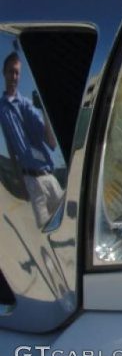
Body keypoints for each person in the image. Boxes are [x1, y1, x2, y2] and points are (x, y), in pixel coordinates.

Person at [0, 52, 63, 230]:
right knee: (44, 231)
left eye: (17, 73)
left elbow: (51, 143)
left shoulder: (28, 105)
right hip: (31, 181)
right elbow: (9, 147)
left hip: (50, 178)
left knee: (66, 229)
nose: (14, 76)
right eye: (11, 72)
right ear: (4, 73)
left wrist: (44, 110)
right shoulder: (1, 109)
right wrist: (19, 181)